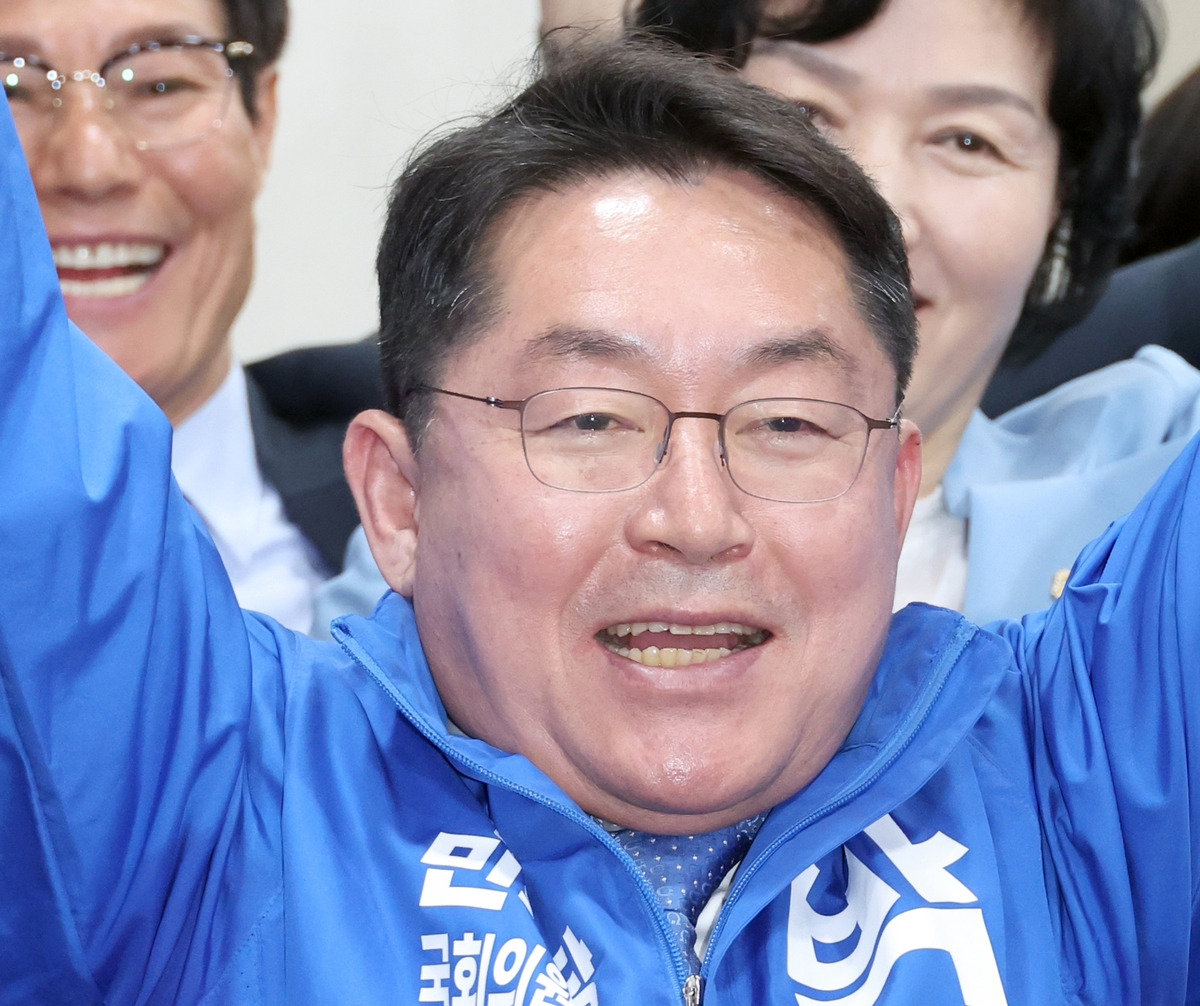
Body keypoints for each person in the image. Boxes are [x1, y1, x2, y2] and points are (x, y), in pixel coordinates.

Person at [5, 40, 1200, 1005]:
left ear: (894, 496)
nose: (697, 517)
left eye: (788, 422)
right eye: (588, 419)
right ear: (400, 499)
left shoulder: (1085, 789)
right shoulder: (209, 810)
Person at [523, 0, 1200, 627]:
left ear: (1062, 202)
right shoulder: (512, 486)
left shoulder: (1149, 505)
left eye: (968, 142)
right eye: (803, 113)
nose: (883, 211)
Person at [0, 0, 380, 634]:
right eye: (11, 91)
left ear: (263, 119)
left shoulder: (432, 479)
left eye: (160, 86)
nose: (89, 166)